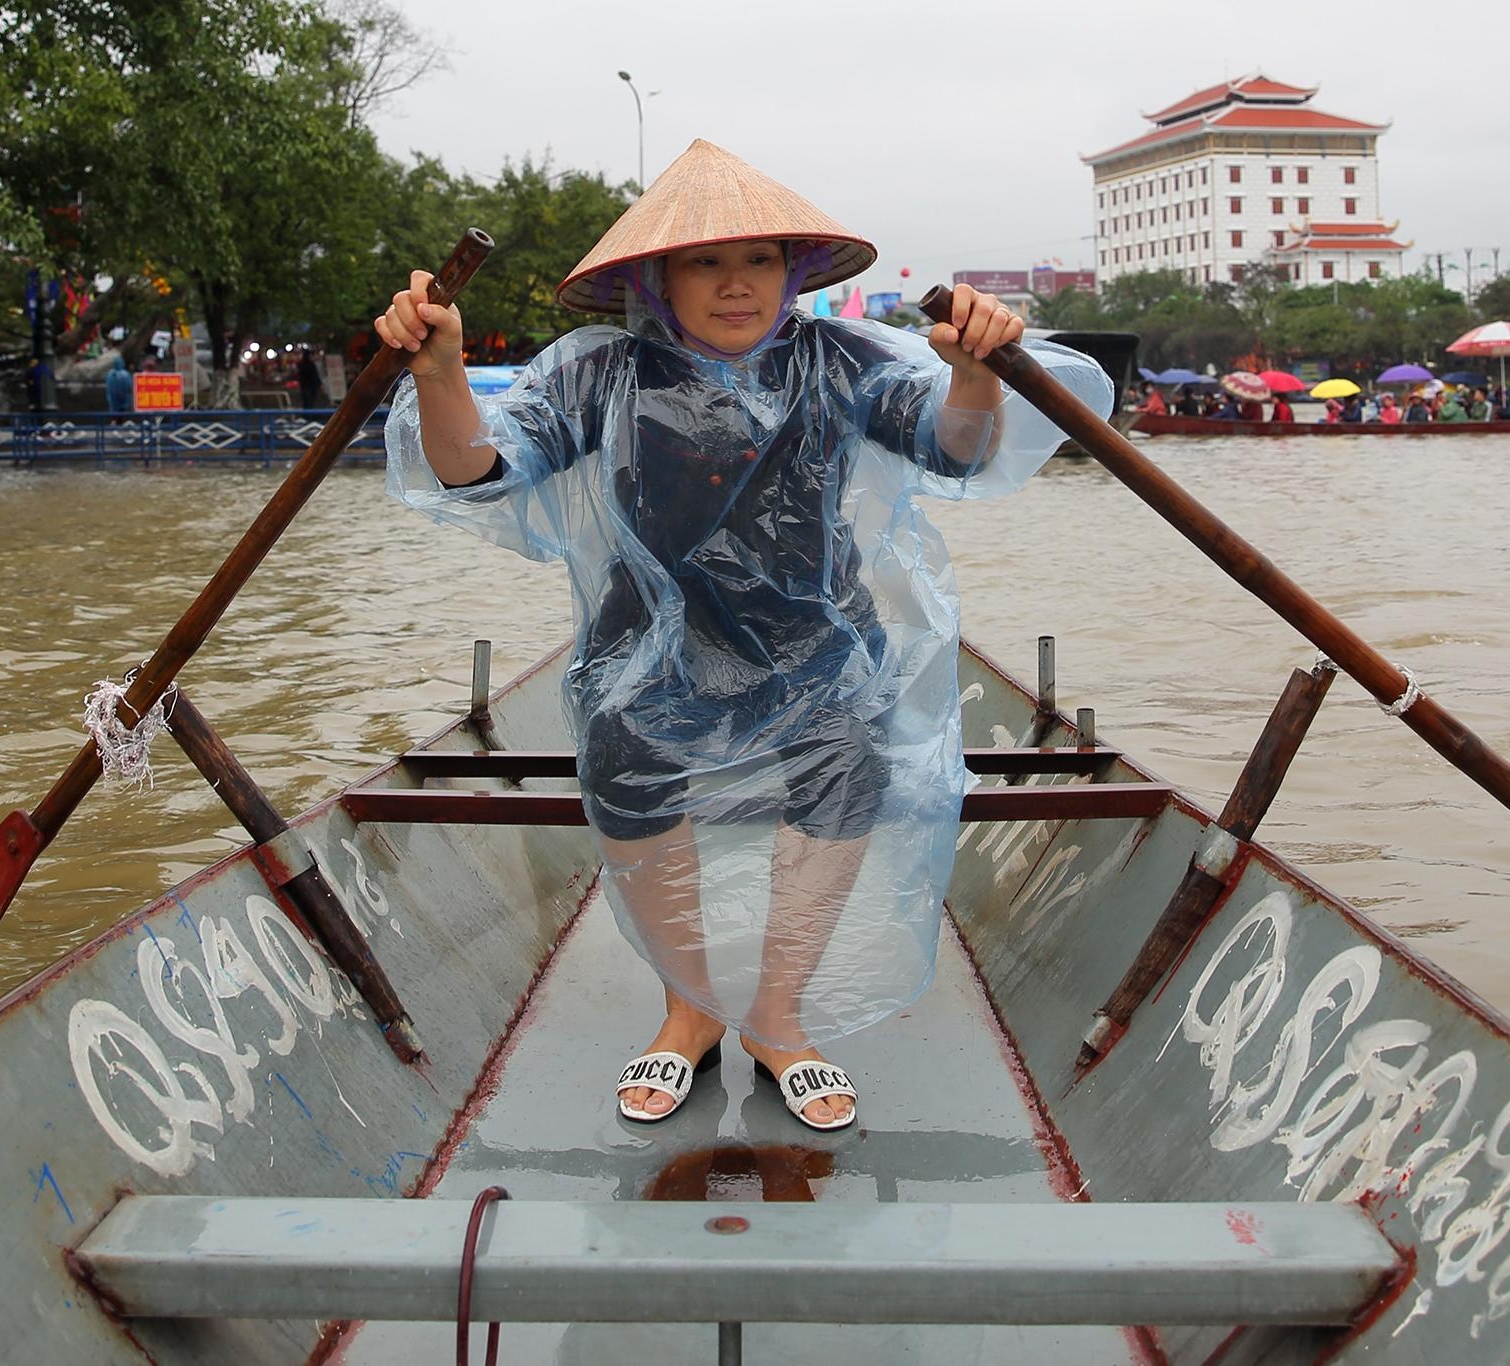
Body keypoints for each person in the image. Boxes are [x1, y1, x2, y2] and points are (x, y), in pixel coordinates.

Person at [375, 139, 1111, 1132]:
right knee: (627, 752)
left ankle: (771, 1014)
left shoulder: (840, 360)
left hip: (812, 645)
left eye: (758, 261)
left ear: (792, 273)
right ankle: (688, 1011)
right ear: (656, 278)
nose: (735, 284)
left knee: (849, 757)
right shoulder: (600, 375)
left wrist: (975, 375)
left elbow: (954, 448)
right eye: (705, 263)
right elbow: (475, 467)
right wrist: (441, 371)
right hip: (648, 646)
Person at [296, 345, 326, 410]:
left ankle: (308, 416)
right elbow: (315, 375)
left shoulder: (304, 364)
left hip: (307, 386)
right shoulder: (308, 365)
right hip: (309, 386)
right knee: (309, 402)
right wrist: (319, 384)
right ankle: (309, 416)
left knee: (308, 402)